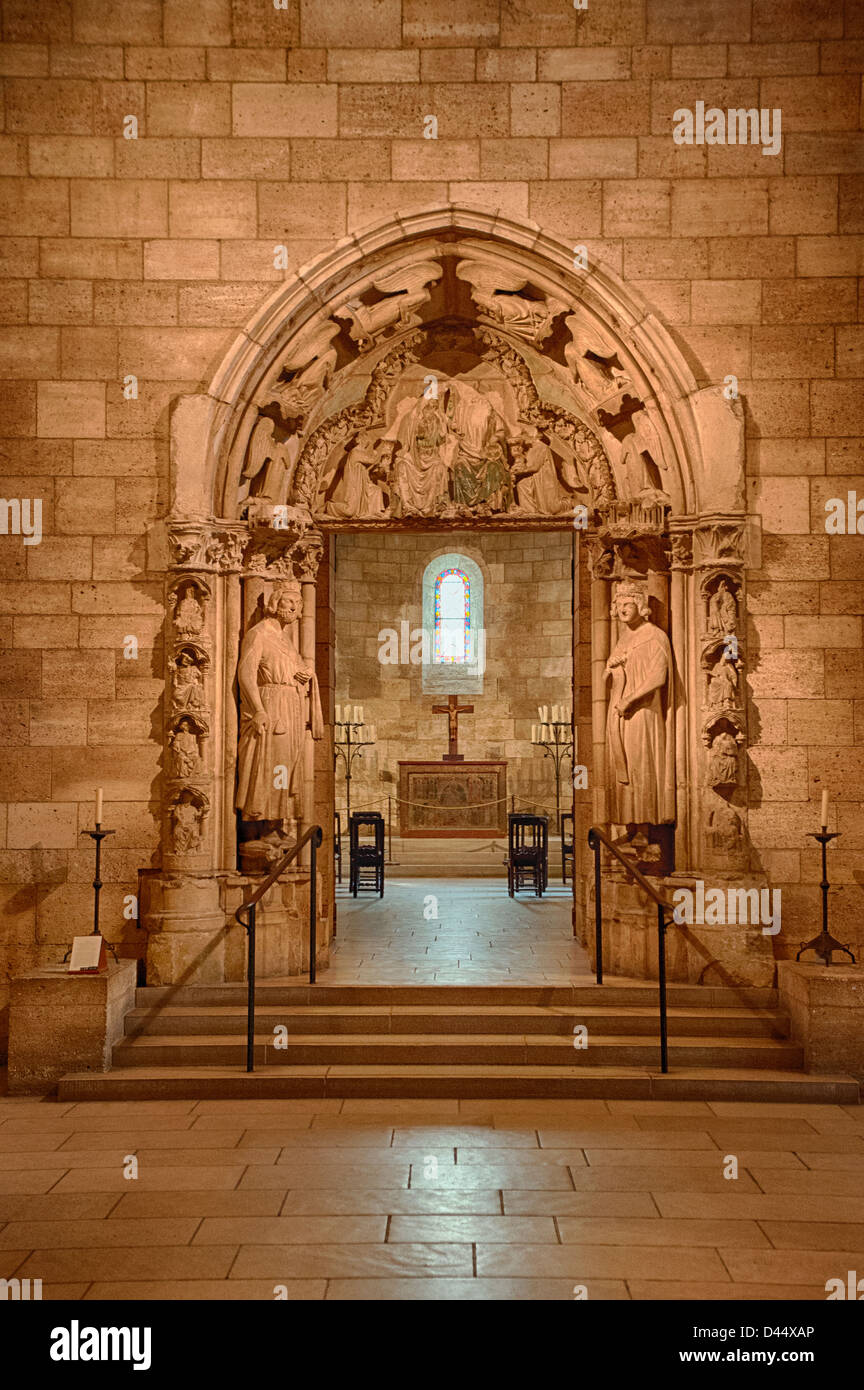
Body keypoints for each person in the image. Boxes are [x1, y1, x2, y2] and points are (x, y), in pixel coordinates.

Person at [235, 582, 323, 827]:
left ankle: (277, 819)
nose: (295, 608)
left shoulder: (284, 639)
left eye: (299, 603)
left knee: (288, 762)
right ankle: (260, 823)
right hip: (272, 705)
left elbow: (292, 668)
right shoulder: (259, 633)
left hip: (290, 705)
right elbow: (246, 674)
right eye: (290, 601)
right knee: (273, 761)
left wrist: (304, 672)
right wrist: (258, 709)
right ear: (274, 603)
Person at [604, 580, 675, 829]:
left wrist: (629, 700)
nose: (622, 609)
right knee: (624, 768)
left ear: (640, 605)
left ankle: (647, 825)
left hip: (643, 712)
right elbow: (607, 676)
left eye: (628, 604)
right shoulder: (623, 638)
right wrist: (611, 667)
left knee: (641, 763)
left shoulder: (655, 635)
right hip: (621, 712)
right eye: (619, 604)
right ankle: (631, 825)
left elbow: (658, 677)